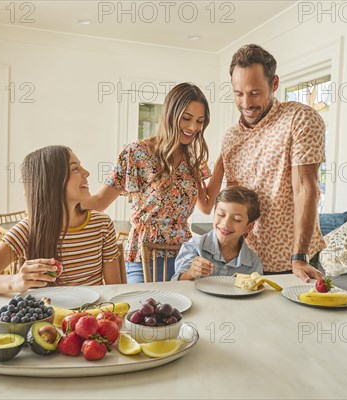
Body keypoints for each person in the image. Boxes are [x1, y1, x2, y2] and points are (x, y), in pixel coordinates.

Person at [81, 83, 224, 283]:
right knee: (143, 308)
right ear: (170, 115)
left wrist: (221, 164)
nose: (193, 128)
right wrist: (57, 205)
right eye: (187, 118)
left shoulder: (192, 159)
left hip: (183, 253)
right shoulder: (137, 152)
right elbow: (99, 201)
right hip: (144, 254)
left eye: (200, 121)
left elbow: (207, 206)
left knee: (184, 312)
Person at [221, 44, 326, 282]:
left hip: (293, 261)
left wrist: (298, 257)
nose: (246, 102)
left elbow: (305, 188)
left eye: (255, 92)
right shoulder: (231, 137)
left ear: (274, 83)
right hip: (247, 259)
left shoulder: (299, 119)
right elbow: (232, 200)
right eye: (238, 93)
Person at [0, 145, 122, 294]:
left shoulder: (102, 225)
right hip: (48, 320)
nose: (86, 173)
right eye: (75, 169)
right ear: (51, 181)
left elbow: (115, 289)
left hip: (90, 321)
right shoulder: (29, 229)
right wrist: (14, 281)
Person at [171, 186, 263, 281]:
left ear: (248, 227)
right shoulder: (194, 246)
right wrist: (190, 272)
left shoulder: (253, 263)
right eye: (221, 214)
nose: (225, 224)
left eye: (236, 219)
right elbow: (176, 285)